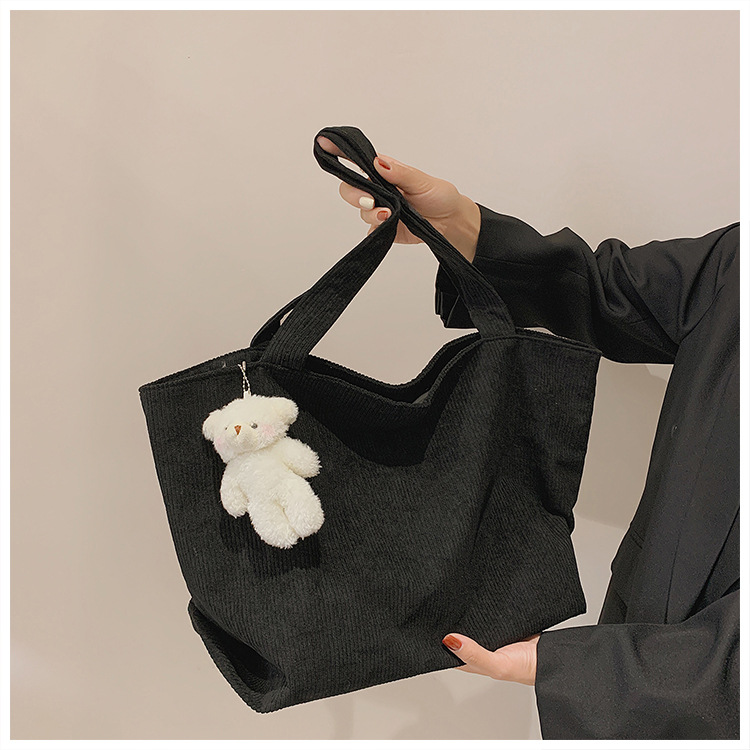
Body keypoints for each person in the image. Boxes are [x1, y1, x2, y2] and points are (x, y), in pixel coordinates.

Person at [316, 136, 740, 740]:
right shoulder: (736, 260)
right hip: (637, 638)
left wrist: (583, 670)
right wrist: (459, 224)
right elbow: (607, 292)